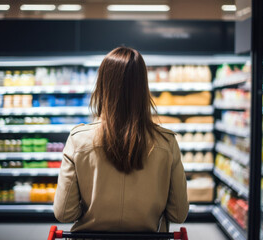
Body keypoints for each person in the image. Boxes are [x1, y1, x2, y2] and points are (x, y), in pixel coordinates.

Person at [53, 46, 189, 233]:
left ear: (102, 86)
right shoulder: (166, 143)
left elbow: (64, 213)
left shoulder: (79, 140)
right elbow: (179, 213)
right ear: (143, 87)